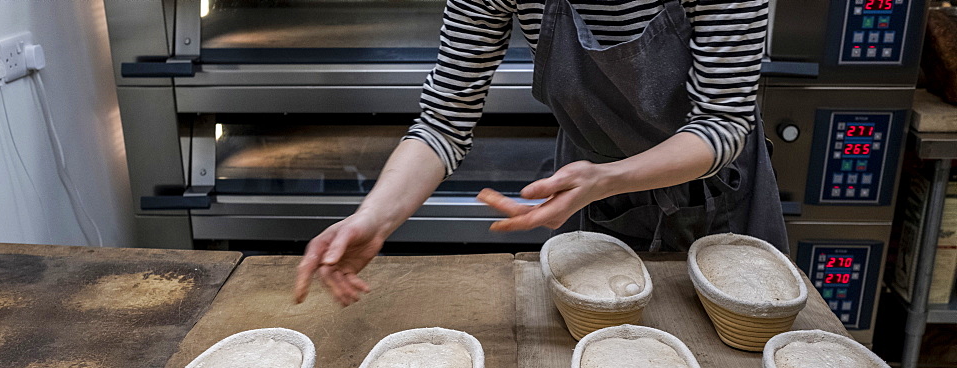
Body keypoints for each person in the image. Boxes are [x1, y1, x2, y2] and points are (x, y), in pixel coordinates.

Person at [294, 0, 787, 306]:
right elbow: (444, 118)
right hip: (592, 192)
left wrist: (610, 177)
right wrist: (374, 218)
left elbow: (721, 122)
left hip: (718, 186)